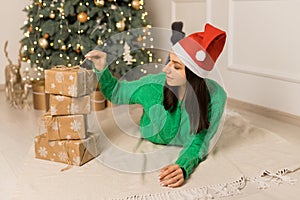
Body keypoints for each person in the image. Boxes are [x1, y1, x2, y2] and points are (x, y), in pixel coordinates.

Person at [85, 23, 227, 188]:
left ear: (194, 74)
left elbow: (199, 141)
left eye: (176, 66)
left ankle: (177, 39)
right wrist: (102, 68)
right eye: (171, 61)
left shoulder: (216, 97)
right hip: (157, 107)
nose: (166, 69)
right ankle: (177, 39)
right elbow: (116, 92)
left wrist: (183, 165)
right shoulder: (152, 85)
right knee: (164, 74)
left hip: (191, 86)